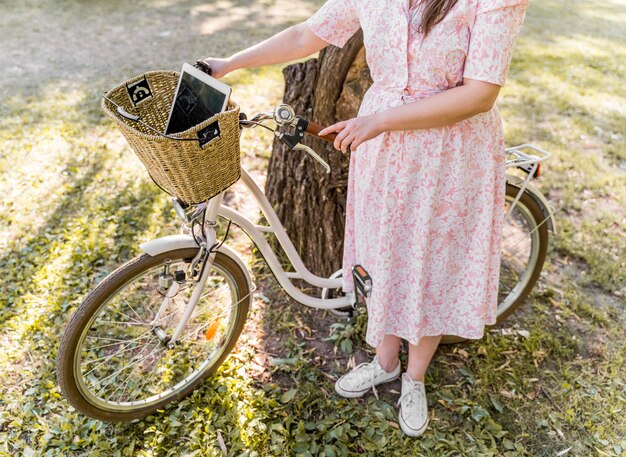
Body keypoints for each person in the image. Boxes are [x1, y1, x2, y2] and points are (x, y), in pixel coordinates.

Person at [200, 0, 530, 438]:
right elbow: (307, 34)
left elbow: (479, 93)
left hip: (449, 152)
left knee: (431, 259)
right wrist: (229, 64)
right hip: (384, 147)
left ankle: (415, 378)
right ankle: (385, 361)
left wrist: (380, 120)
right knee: (384, 250)